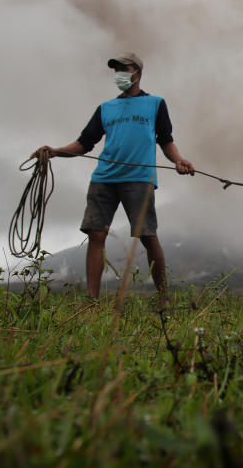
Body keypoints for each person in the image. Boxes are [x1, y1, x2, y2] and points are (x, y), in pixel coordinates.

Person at [33, 53, 194, 305]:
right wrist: (54, 151)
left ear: (138, 72)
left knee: (147, 235)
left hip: (139, 178)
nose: (119, 73)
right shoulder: (105, 108)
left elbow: (165, 139)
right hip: (104, 178)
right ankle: (91, 302)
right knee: (96, 235)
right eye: (116, 69)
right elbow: (84, 144)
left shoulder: (155, 103)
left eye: (124, 68)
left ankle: (164, 299)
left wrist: (179, 160)